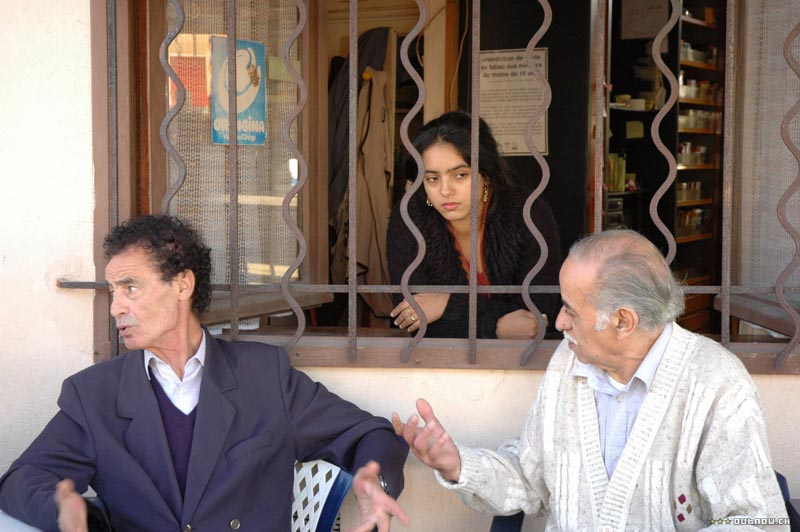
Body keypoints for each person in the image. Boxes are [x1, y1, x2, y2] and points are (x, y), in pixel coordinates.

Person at [0, 215, 409, 532]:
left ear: (183, 285)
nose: (116, 307)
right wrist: (67, 511)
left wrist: (373, 481)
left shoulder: (263, 376)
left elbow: (370, 433)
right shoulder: (95, 394)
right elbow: (21, 479)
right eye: (113, 292)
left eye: (131, 288)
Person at [393, 229, 789, 530]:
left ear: (623, 321)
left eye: (570, 310)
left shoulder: (715, 381)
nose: (559, 323)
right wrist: (458, 464)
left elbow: (760, 522)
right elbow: (530, 480)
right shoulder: (569, 363)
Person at [387, 111, 562, 339]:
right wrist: (497, 326)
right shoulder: (410, 216)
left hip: (528, 356)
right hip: (442, 357)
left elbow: (538, 315)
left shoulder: (528, 211)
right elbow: (410, 316)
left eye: (460, 175)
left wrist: (447, 304)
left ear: (486, 174)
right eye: (432, 178)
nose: (445, 190)